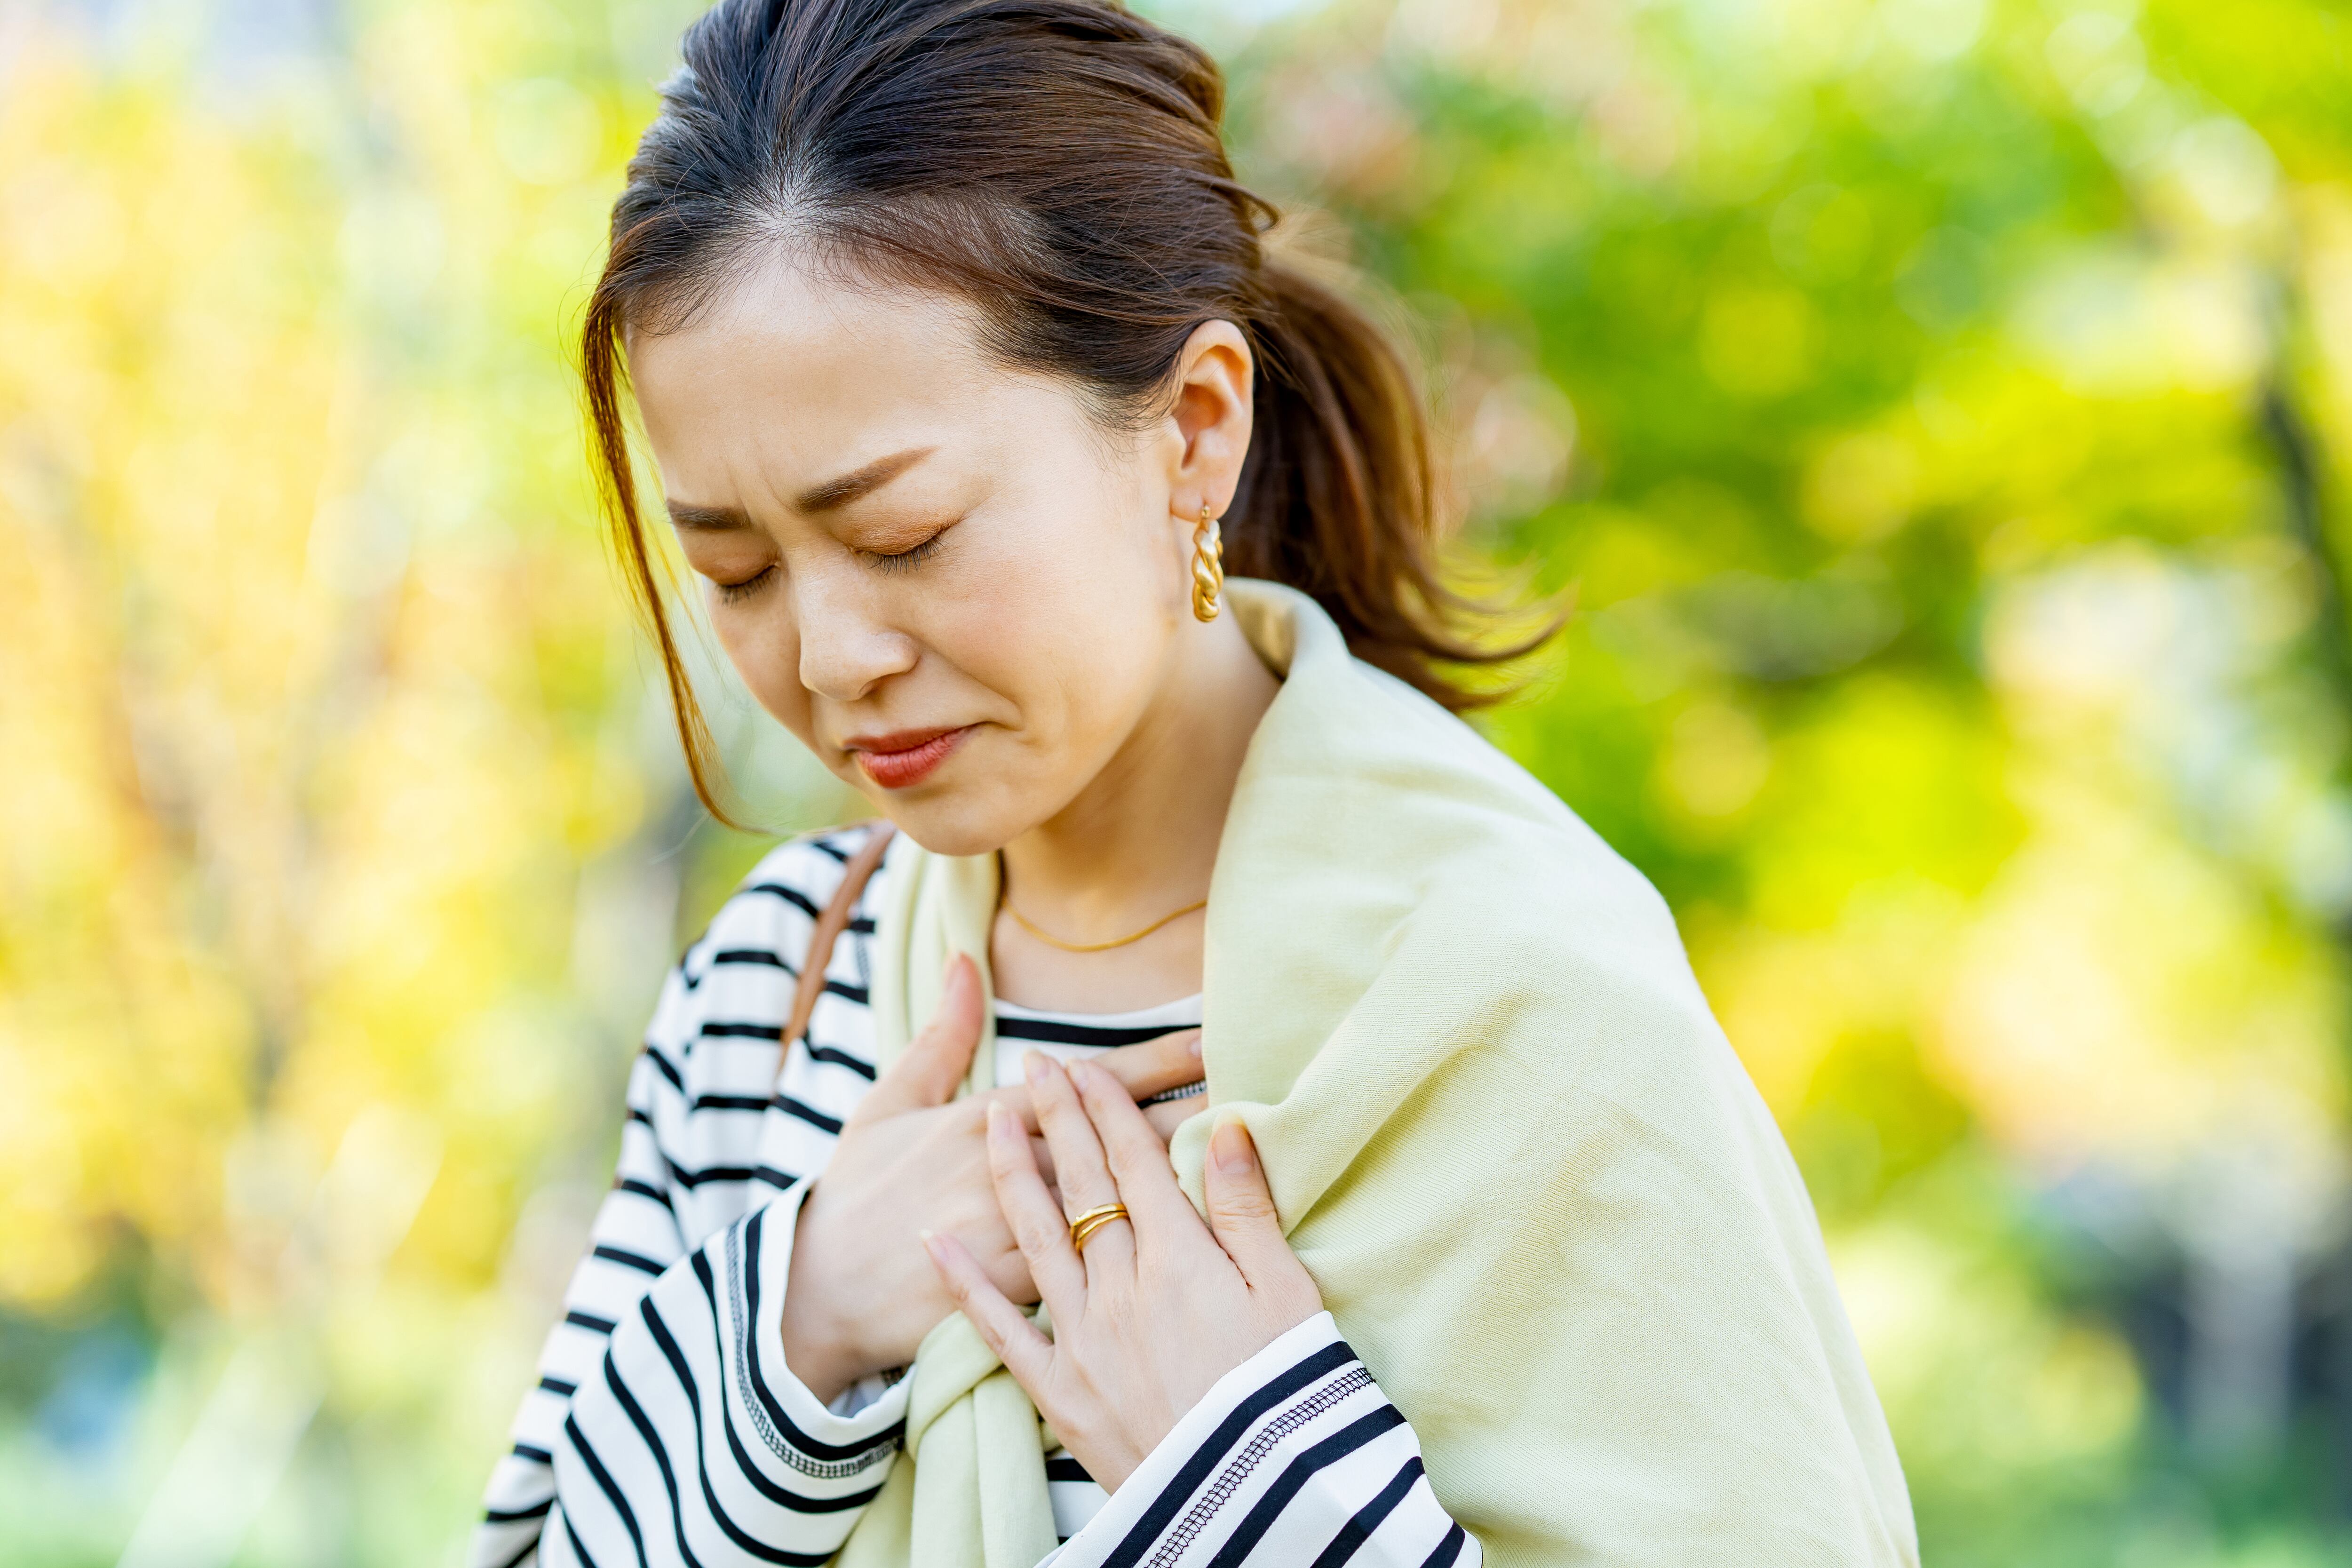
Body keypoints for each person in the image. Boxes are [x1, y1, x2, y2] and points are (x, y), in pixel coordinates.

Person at [472, 2, 1920, 1565]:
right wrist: (800, 1317)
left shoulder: (1514, 998)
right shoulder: (774, 986)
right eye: (737, 569)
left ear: (1194, 435)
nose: (829, 657)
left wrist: (1243, 1481)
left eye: (905, 539)